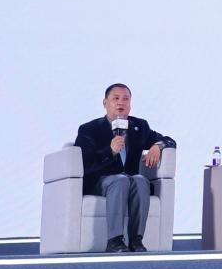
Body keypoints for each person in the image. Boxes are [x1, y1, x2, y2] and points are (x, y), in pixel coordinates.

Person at [74, 83, 176, 253]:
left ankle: (136, 240)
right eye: (116, 98)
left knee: (141, 180)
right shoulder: (89, 129)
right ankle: (114, 241)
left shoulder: (139, 126)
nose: (121, 102)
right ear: (105, 103)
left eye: (125, 99)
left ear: (130, 104)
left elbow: (170, 140)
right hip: (100, 182)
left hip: (130, 181)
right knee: (120, 180)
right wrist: (110, 151)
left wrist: (158, 146)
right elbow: (84, 163)